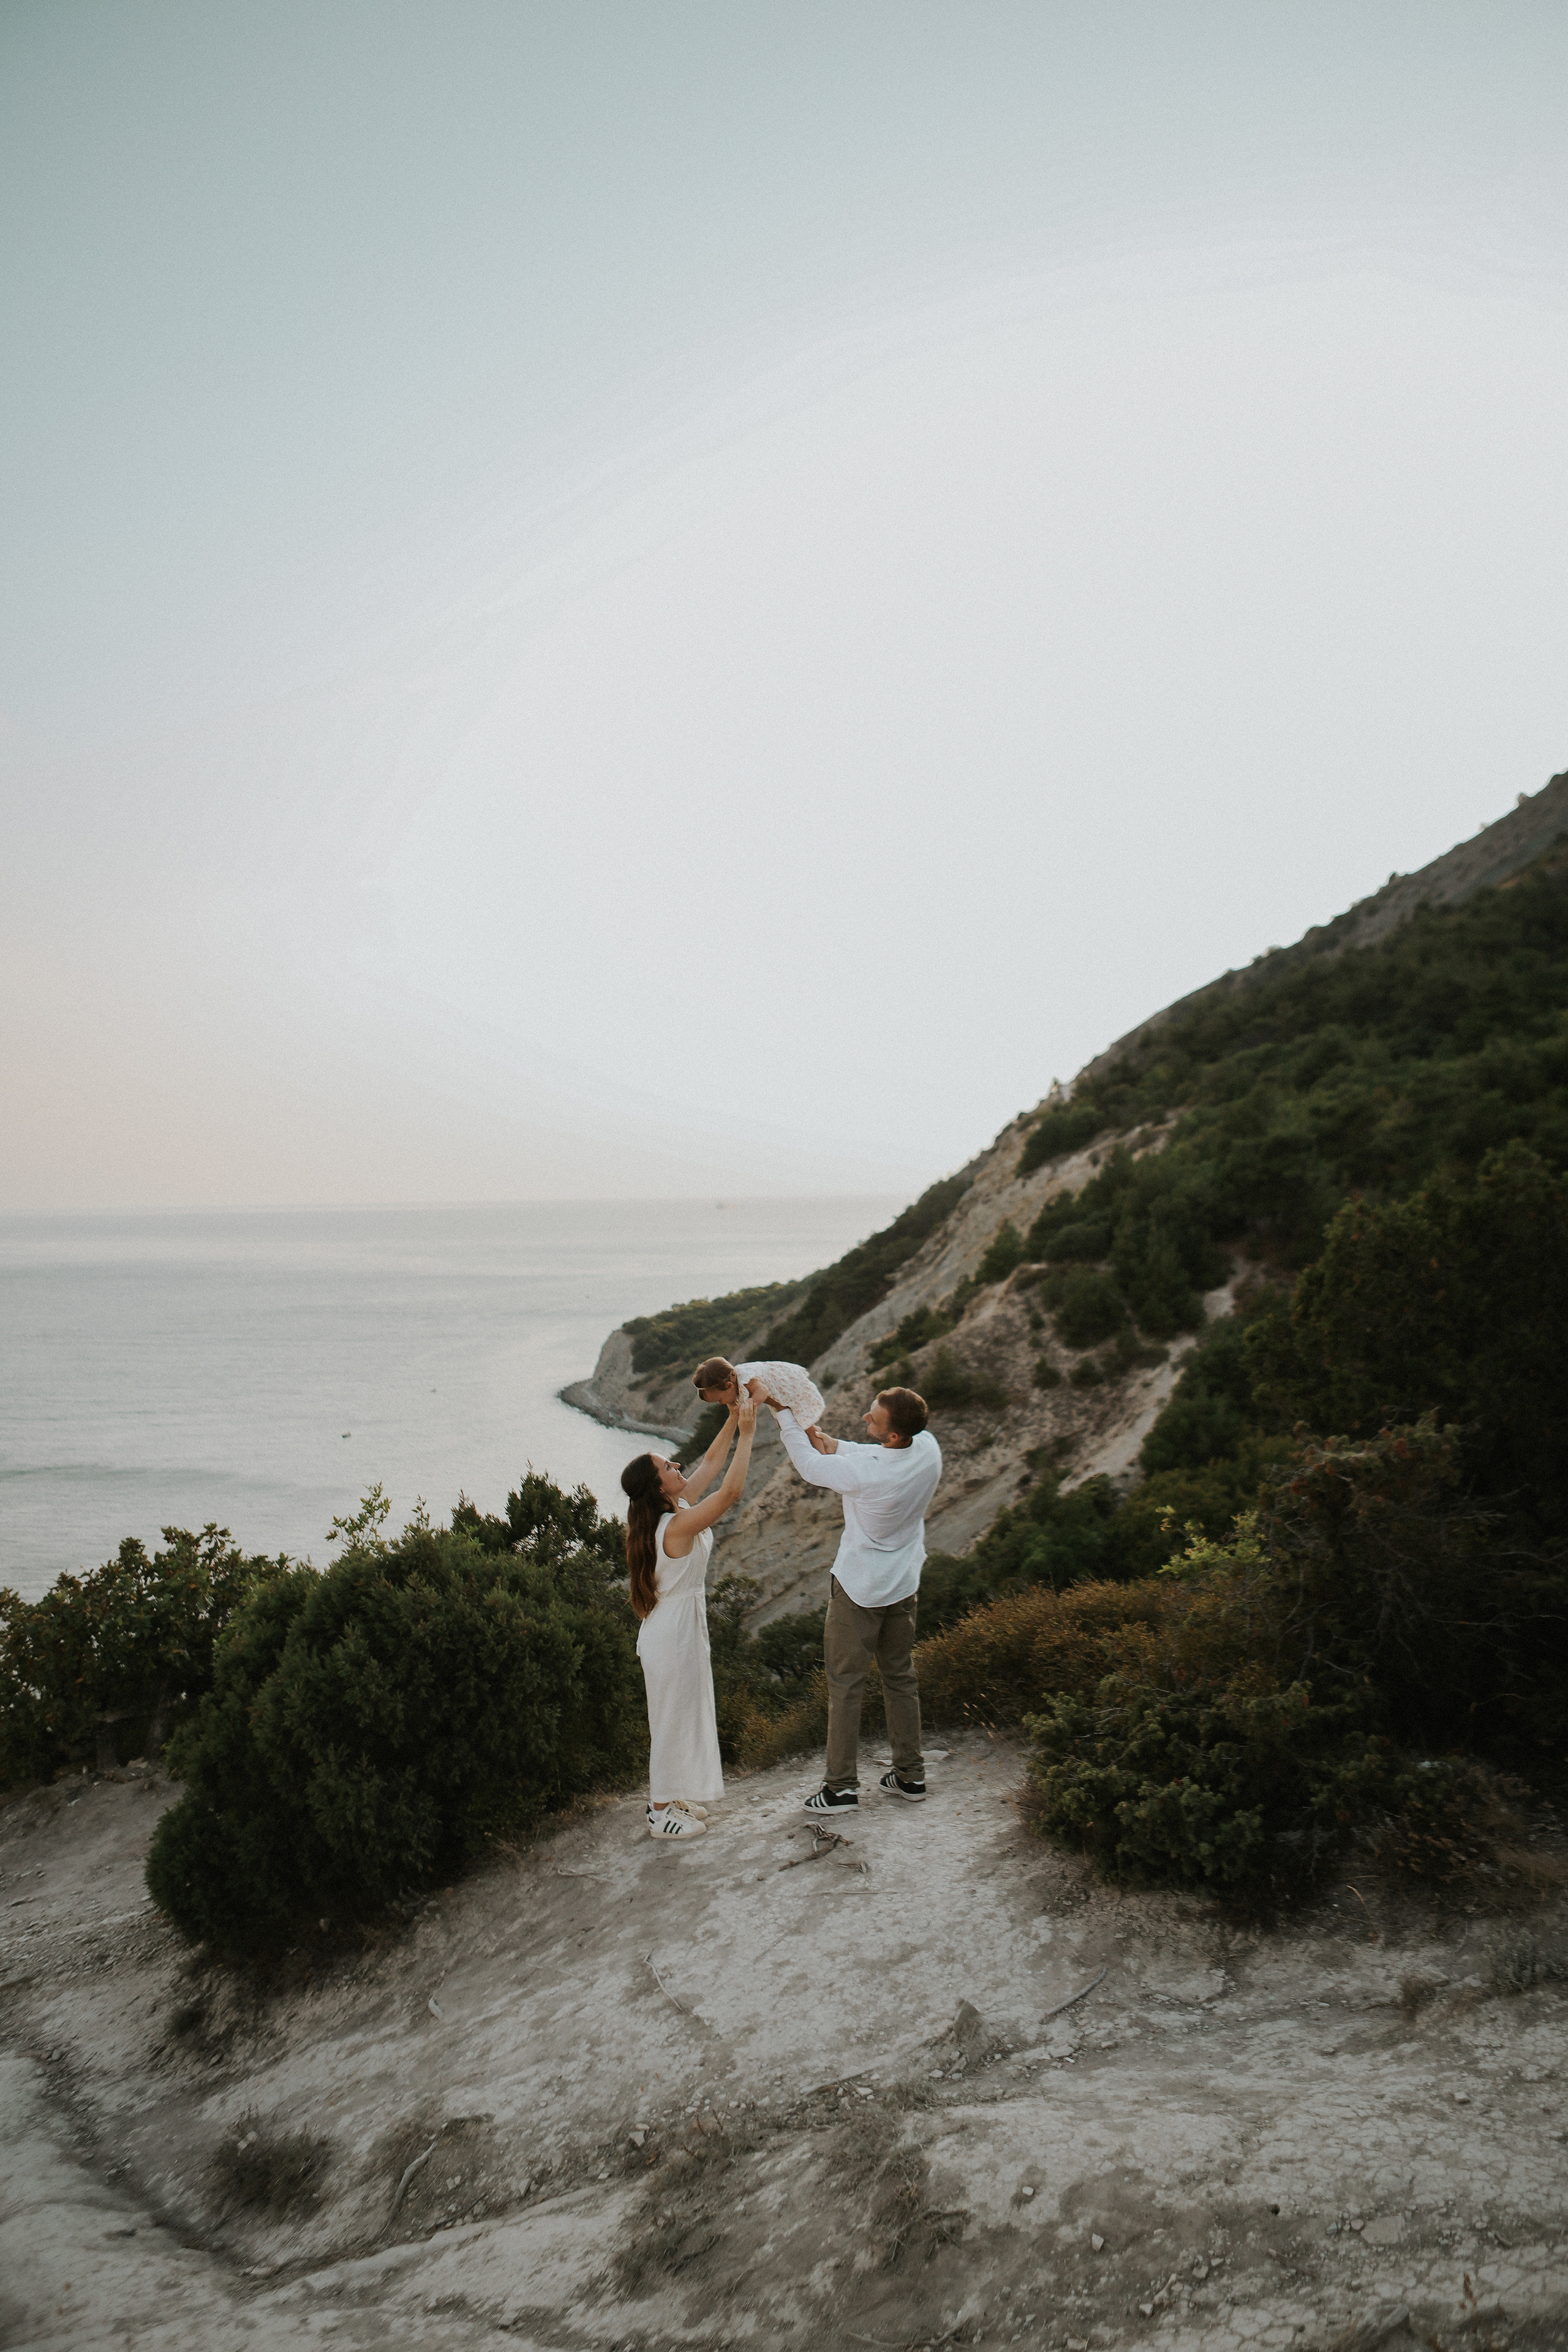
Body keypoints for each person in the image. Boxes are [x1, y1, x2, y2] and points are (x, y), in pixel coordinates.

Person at [772, 1385, 942, 1817]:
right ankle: (911, 1776)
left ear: (891, 1437)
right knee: (900, 1678)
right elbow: (874, 1455)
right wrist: (838, 1446)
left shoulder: (869, 1475)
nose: (865, 1420)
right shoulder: (927, 1449)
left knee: (846, 1687)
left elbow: (810, 1467)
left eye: (874, 1419)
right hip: (903, 1586)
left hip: (859, 1591)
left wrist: (783, 1417)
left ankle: (841, 1789)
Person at [620, 1396, 758, 1841]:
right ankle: (660, 1813)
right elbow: (732, 1493)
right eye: (669, 1466)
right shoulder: (675, 1527)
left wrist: (734, 1418)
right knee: (670, 1720)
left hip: (678, 1629)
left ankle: (672, 1795)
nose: (679, 1465)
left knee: (679, 1715)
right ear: (659, 1486)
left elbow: (714, 1461)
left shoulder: (672, 1513)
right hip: (672, 1635)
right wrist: (751, 1436)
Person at [693, 1354, 825, 1438]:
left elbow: (762, 1392)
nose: (721, 1403)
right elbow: (733, 1401)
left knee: (803, 1426)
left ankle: (823, 1450)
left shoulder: (747, 1379)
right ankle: (821, 1439)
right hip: (780, 1401)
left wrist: (747, 1406)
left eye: (719, 1400)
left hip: (792, 1390)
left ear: (729, 1386)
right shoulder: (732, 1381)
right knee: (792, 1426)